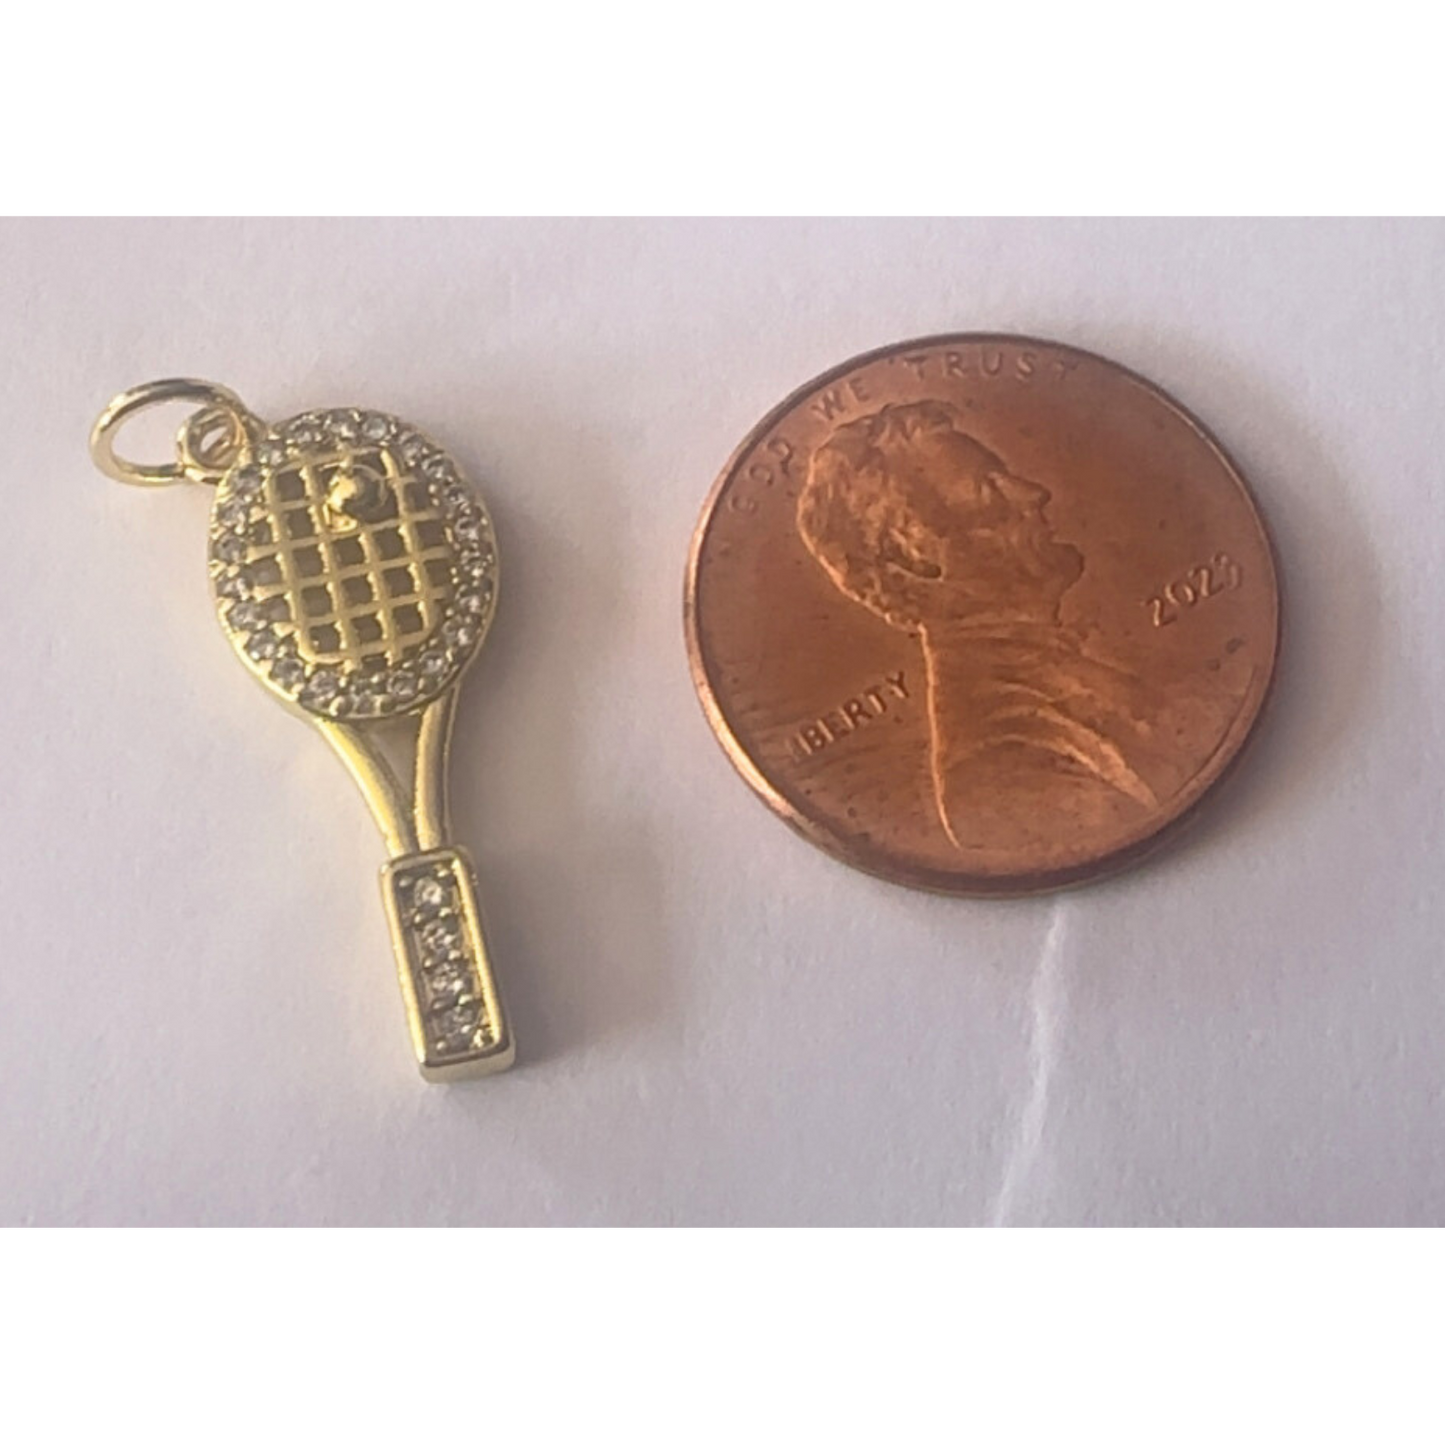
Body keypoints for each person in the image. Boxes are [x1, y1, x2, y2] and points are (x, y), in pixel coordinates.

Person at [796, 401, 1202, 850]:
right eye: (989, 490)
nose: (1033, 493)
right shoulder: (999, 777)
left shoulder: (1073, 677)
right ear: (915, 562)